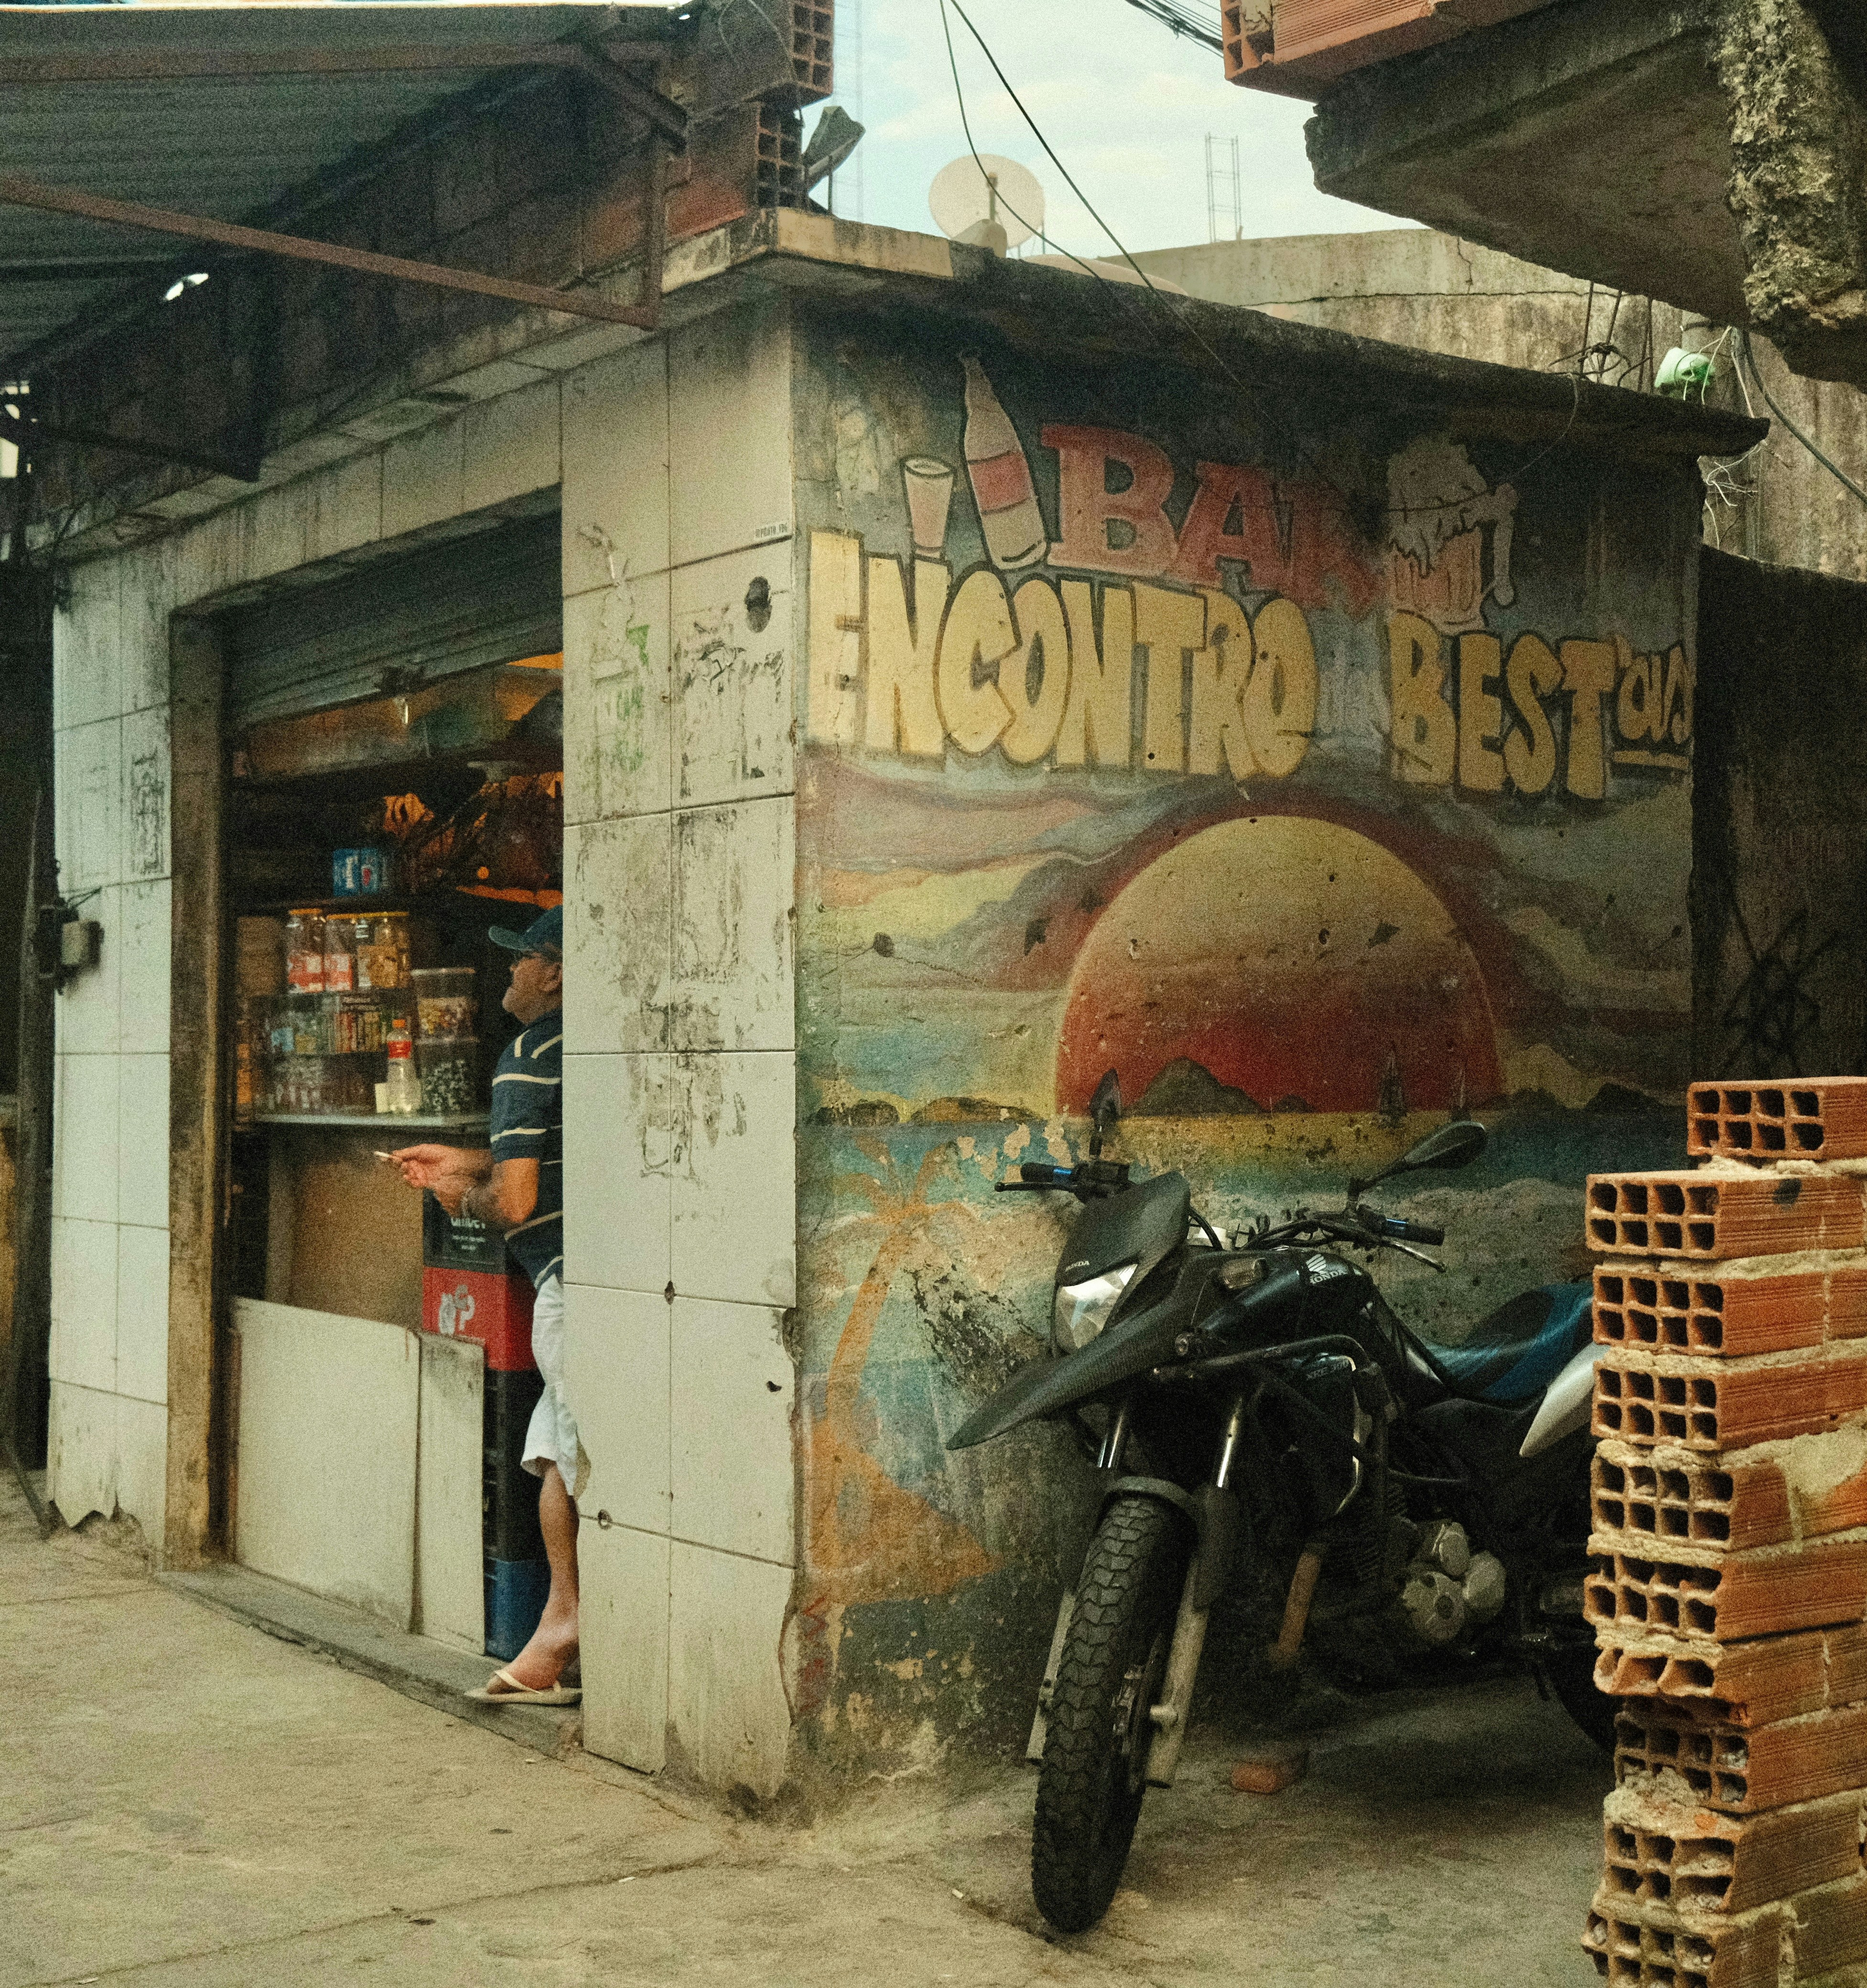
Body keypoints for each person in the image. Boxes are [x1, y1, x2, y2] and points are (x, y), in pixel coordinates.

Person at [391, 906, 575, 1704]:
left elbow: (515, 1199)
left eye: (520, 959)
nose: (509, 971)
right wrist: (468, 1159)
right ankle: (562, 1633)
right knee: (563, 1447)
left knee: (566, 1452)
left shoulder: (530, 1053)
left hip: (571, 1282)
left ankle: (562, 1627)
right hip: (616, 1276)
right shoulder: (586, 1048)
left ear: (555, 973)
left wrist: (457, 1194)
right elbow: (551, 1150)